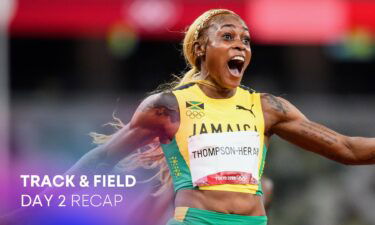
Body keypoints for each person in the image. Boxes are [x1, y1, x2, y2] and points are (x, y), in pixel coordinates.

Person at [3, 8, 375, 225]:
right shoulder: (167, 107)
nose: (240, 46)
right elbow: (102, 158)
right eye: (228, 36)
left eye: (245, 40)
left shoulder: (267, 107)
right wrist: (40, 204)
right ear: (200, 47)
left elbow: (346, 148)